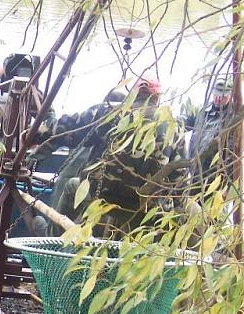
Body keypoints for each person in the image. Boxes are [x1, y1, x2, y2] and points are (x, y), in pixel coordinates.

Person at [33, 77, 181, 236]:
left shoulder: (112, 112)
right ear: (158, 98)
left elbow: (69, 130)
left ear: (133, 93)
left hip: (102, 199)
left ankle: (50, 240)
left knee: (72, 186)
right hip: (143, 210)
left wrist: (36, 135)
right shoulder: (175, 128)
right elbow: (179, 178)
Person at [184, 78, 235, 183]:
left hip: (216, 176)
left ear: (230, 95)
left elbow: (232, 153)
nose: (217, 98)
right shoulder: (204, 109)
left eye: (222, 96)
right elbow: (188, 120)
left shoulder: (234, 116)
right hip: (195, 172)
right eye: (215, 94)